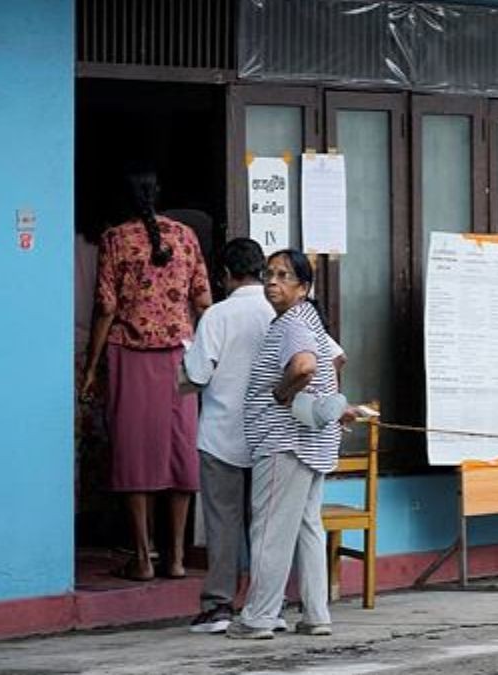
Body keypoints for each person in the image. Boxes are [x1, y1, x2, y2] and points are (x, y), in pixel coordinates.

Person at [81, 169, 212, 581]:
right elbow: (204, 301)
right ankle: (176, 559)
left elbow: (106, 307)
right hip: (180, 358)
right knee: (180, 452)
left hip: (130, 355)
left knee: (133, 453)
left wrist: (90, 367)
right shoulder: (186, 236)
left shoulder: (115, 238)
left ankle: (142, 558)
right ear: (159, 195)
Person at [228, 249, 361, 639]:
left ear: (303, 287)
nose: (272, 281)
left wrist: (282, 393)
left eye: (284, 275)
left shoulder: (292, 324)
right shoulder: (309, 320)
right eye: (268, 274)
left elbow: (304, 366)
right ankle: (316, 614)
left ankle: (258, 617)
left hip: (284, 442)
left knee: (270, 530)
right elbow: (334, 362)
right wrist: (332, 405)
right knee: (307, 527)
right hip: (312, 442)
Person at [182, 238, 275, 634]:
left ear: (225, 274)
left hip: (222, 433)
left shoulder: (217, 316)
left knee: (223, 524)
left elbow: (197, 375)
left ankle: (219, 605)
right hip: (269, 434)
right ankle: (267, 606)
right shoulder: (278, 311)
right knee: (265, 525)